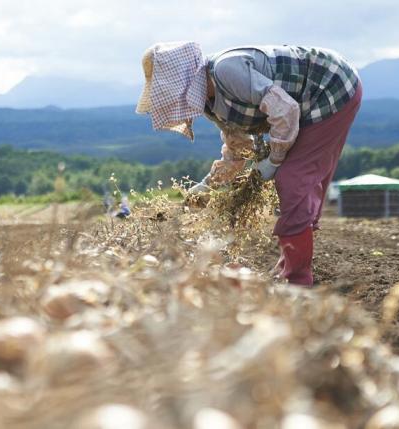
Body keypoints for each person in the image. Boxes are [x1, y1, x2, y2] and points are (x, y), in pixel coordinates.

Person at [135, 41, 362, 286]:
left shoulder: (226, 71)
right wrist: (208, 185)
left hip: (331, 87)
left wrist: (274, 159)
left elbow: (285, 110)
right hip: (302, 105)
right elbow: (238, 149)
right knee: (297, 183)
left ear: (180, 81)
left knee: (291, 180)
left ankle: (297, 281)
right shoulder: (210, 104)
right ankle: (289, 265)